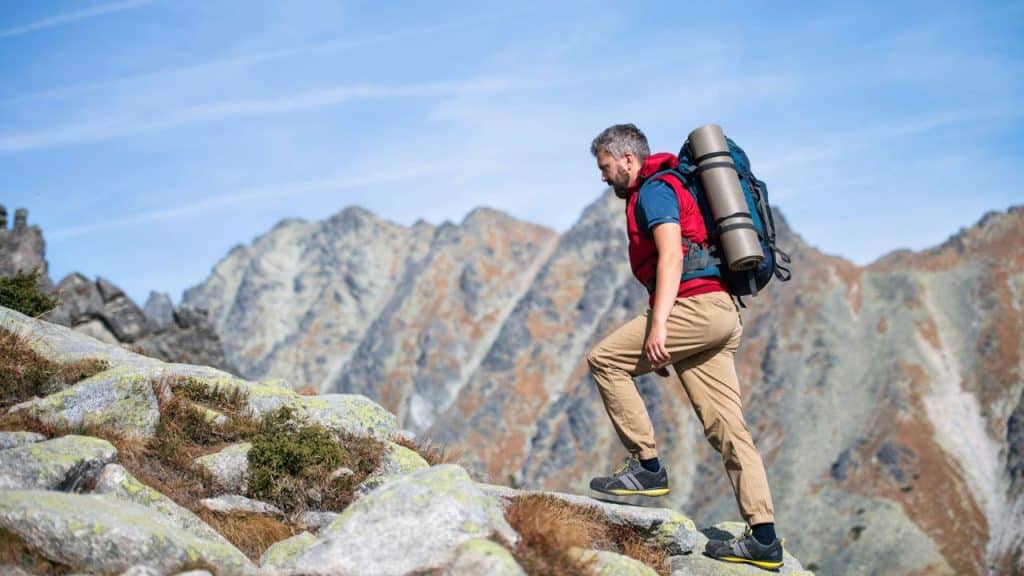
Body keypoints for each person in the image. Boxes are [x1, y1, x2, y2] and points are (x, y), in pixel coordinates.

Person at [586, 124, 784, 569]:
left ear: (627, 159)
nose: (603, 177)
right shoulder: (667, 185)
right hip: (719, 314)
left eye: (605, 167)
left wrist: (659, 327)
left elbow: (672, 255)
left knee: (605, 360)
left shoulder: (655, 191)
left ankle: (648, 467)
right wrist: (668, 342)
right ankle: (764, 539)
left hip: (694, 308)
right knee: (729, 430)